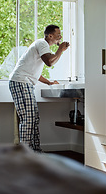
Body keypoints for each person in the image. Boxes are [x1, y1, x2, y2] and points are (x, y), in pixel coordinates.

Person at [9, 24, 69, 152]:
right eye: (58, 35)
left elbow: (34, 71)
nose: (60, 37)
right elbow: (49, 62)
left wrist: (48, 82)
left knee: (34, 117)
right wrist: (60, 50)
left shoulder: (42, 46)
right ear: (50, 36)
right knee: (29, 117)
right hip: (20, 81)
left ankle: (35, 151)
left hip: (24, 82)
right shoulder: (42, 43)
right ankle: (25, 153)